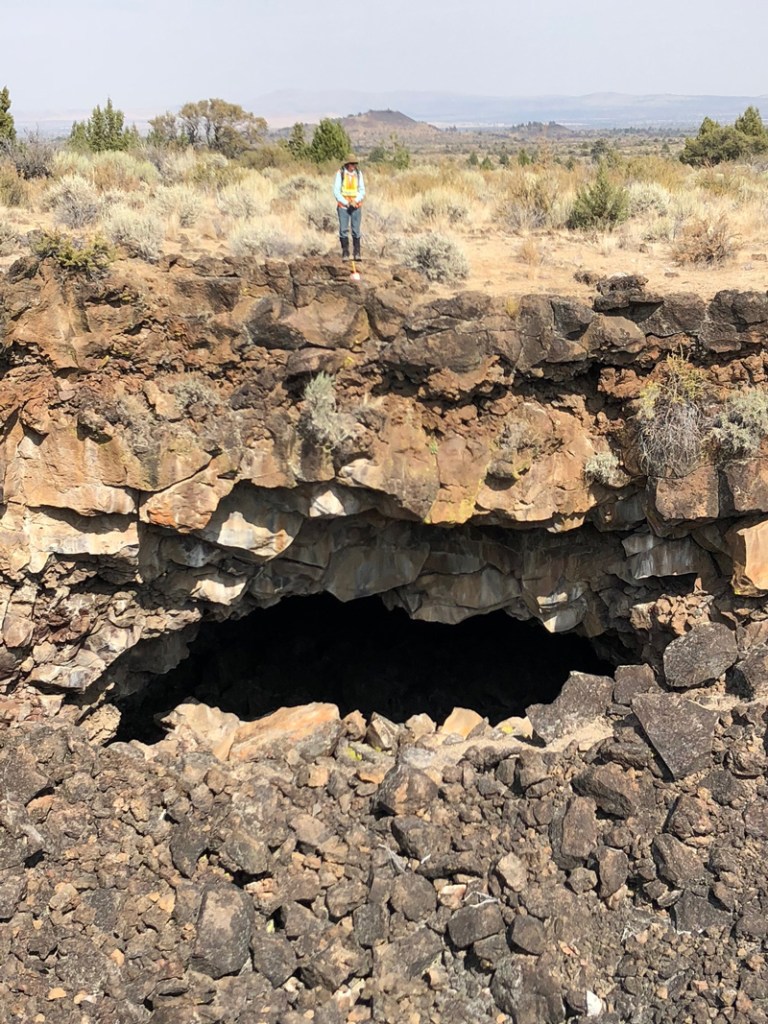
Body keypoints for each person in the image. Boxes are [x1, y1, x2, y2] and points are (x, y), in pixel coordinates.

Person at [333, 154, 365, 262]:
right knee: (343, 230)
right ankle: (345, 252)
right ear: (347, 164)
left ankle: (357, 252)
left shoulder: (358, 174)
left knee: (356, 230)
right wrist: (346, 202)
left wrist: (355, 201)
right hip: (343, 206)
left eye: (355, 164)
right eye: (352, 164)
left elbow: (362, 190)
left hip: (356, 206)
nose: (354, 166)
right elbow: (336, 192)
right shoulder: (340, 173)